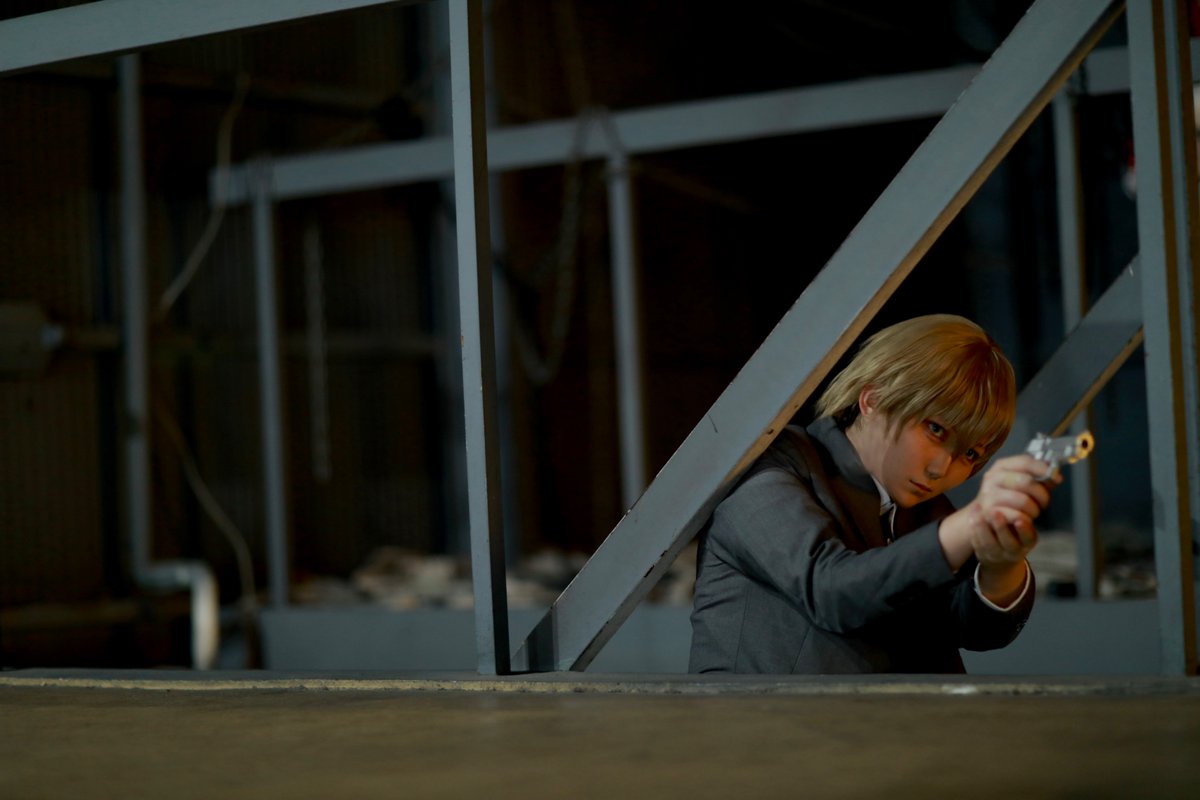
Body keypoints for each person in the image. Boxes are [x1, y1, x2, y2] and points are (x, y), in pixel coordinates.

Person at [688, 314, 1059, 674]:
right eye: (935, 429)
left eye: (971, 454)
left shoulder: (924, 512)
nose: (941, 469)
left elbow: (978, 629)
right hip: (766, 716)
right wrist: (968, 526)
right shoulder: (775, 466)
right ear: (873, 399)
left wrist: (1001, 566)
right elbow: (829, 590)